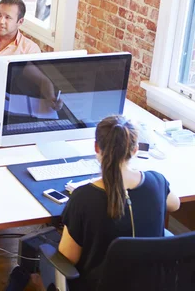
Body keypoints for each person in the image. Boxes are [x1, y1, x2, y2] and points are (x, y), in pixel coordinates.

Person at [57, 115, 180, 291]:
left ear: (96, 147)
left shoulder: (82, 198)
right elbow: (175, 205)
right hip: (153, 284)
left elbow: (67, 258)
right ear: (136, 149)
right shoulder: (157, 181)